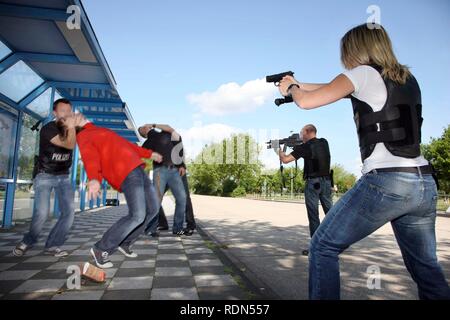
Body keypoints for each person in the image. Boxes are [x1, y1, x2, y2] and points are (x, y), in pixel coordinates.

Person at [278, 23, 450, 300]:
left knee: (322, 247)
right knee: (426, 267)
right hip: (422, 182)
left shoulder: (362, 73)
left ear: (355, 49)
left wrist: (292, 89)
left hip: (387, 181)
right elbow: (332, 87)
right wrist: (296, 82)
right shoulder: (405, 78)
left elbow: (306, 102)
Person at [75, 115, 163, 268]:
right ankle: (101, 248)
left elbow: (127, 145)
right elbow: (90, 158)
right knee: (137, 215)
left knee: (153, 210)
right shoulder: (83, 135)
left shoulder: (100, 130)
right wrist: (94, 178)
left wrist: (149, 154)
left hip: (138, 170)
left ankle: (125, 242)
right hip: (125, 173)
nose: (79, 115)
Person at [13, 99, 81, 258]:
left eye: (69, 111)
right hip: (45, 175)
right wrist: (72, 128)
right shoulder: (48, 129)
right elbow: (69, 145)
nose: (67, 114)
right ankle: (28, 241)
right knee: (42, 212)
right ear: (54, 113)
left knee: (69, 212)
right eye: (63, 110)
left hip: (63, 176)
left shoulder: (72, 129)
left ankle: (53, 245)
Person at [279, 124, 333, 255]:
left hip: (313, 183)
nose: (301, 136)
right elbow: (312, 151)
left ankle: (316, 248)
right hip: (326, 182)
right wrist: (297, 146)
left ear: (308, 132)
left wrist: (279, 149)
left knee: (314, 216)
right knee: (332, 214)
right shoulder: (324, 142)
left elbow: (285, 160)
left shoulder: (304, 147)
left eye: (302, 133)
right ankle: (336, 243)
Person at [138, 124, 193, 236]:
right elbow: (141, 153)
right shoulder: (148, 142)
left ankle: (177, 228)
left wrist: (182, 165)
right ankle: (151, 229)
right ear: (143, 133)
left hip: (174, 171)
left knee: (182, 198)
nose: (145, 126)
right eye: (142, 128)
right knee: (156, 200)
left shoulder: (166, 133)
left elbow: (176, 141)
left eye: (145, 125)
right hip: (160, 172)